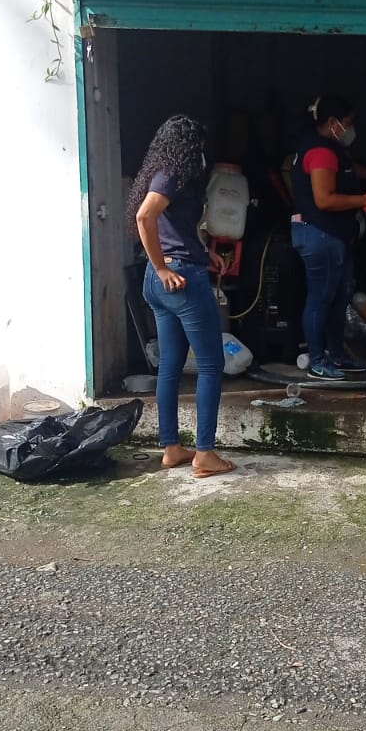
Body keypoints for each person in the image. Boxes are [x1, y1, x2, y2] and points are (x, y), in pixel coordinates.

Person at [128, 114, 235, 479]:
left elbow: (176, 229)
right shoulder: (172, 174)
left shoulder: (166, 173)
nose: (202, 155)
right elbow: (145, 217)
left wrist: (205, 254)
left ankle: (172, 448)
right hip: (179, 281)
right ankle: (205, 454)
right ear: (188, 147)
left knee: (171, 366)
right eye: (199, 148)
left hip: (166, 280)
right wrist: (162, 268)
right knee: (211, 365)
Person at [291, 94, 366, 381]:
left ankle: (337, 355)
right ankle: (317, 361)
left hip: (334, 236)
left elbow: (349, 169)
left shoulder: (333, 150)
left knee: (340, 296)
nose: (351, 128)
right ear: (333, 122)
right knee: (321, 298)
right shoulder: (320, 151)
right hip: (319, 234)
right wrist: (364, 199)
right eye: (348, 122)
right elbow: (325, 199)